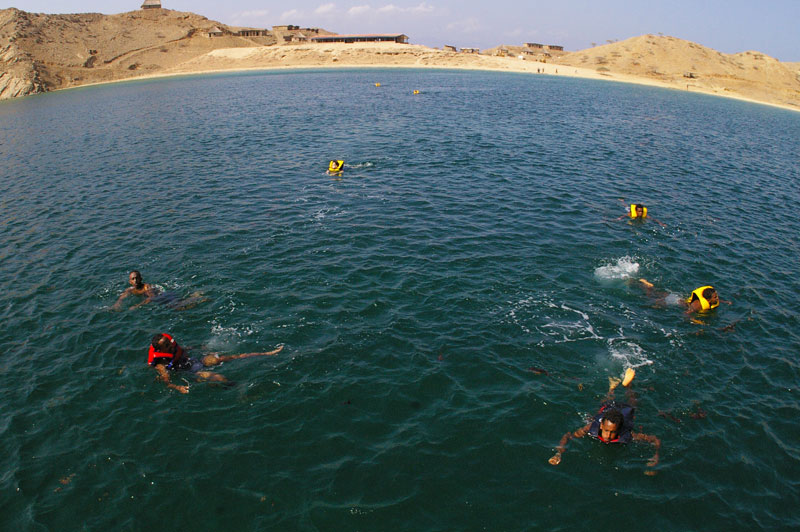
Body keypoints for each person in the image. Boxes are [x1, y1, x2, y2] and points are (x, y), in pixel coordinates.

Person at [548, 369, 661, 475]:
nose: (608, 436)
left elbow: (655, 439)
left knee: (632, 405)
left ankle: (628, 386)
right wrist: (558, 453)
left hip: (624, 413)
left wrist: (655, 457)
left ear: (619, 429)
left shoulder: (628, 435)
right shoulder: (590, 428)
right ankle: (611, 388)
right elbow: (568, 436)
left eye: (613, 432)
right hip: (608, 411)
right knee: (606, 402)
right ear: (601, 425)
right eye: (606, 430)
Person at [148, 333, 284, 393]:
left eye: (169, 342)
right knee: (219, 378)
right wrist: (179, 388)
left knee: (224, 358)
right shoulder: (160, 363)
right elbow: (167, 382)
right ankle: (240, 388)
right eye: (167, 345)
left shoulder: (173, 347)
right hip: (191, 372)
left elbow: (183, 351)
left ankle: (266, 354)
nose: (171, 345)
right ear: (160, 350)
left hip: (194, 361)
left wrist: (199, 348)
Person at [112, 270, 208, 311]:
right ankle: (195, 297)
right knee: (177, 307)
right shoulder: (130, 290)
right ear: (130, 281)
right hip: (160, 298)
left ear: (141, 278)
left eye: (137, 278)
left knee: (177, 307)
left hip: (163, 296)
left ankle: (197, 298)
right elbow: (122, 297)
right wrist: (117, 303)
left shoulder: (146, 287)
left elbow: (151, 298)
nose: (135, 280)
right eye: (133, 279)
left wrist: (137, 306)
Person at [638, 279, 730, 315]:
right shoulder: (698, 306)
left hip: (677, 298)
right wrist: (694, 321)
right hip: (673, 302)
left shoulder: (710, 301)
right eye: (715, 297)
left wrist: (725, 302)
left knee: (657, 293)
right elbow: (686, 313)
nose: (717, 298)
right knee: (650, 299)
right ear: (708, 299)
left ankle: (649, 286)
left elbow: (716, 301)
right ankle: (648, 288)